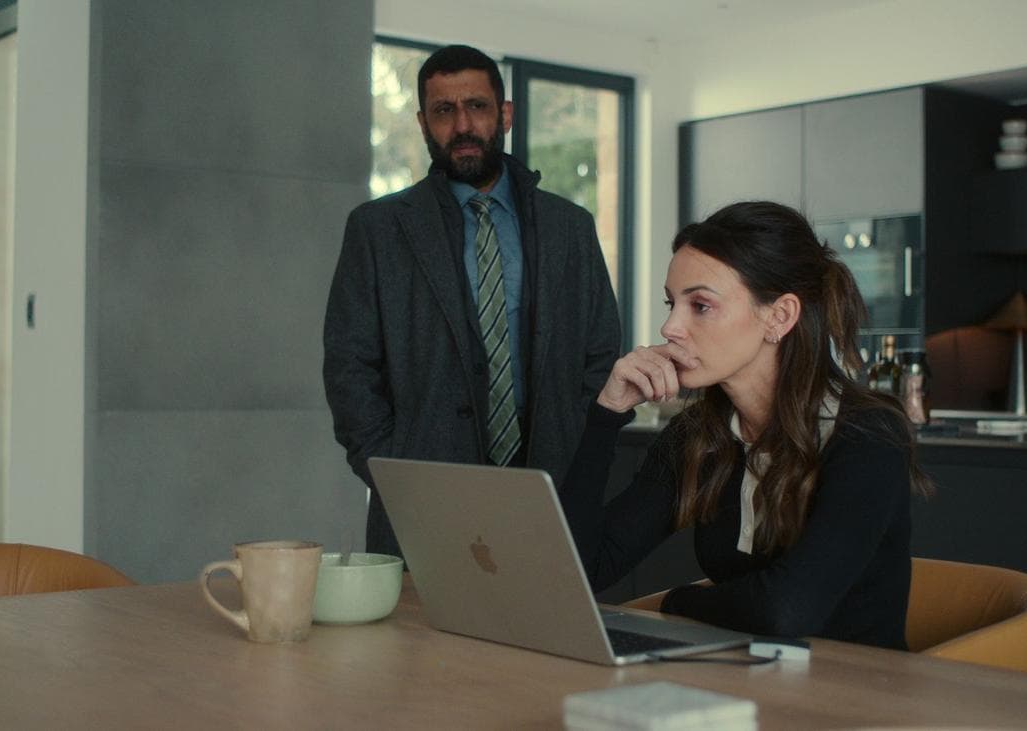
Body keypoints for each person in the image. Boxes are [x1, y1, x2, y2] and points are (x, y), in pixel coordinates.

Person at [559, 201, 931, 650]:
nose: (670, 327)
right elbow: (580, 569)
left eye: (700, 305)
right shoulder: (698, 436)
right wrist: (606, 415)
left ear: (780, 316)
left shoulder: (867, 434)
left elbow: (786, 610)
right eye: (671, 303)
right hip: (739, 674)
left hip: (852, 685)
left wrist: (679, 602)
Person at [323, 45, 620, 557]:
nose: (462, 125)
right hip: (421, 500)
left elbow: (601, 353)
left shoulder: (570, 227)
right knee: (418, 616)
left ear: (504, 114)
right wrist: (392, 469)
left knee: (540, 611)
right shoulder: (377, 230)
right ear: (423, 123)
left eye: (477, 106)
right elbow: (349, 367)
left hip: (549, 493)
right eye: (444, 110)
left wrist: (573, 448)